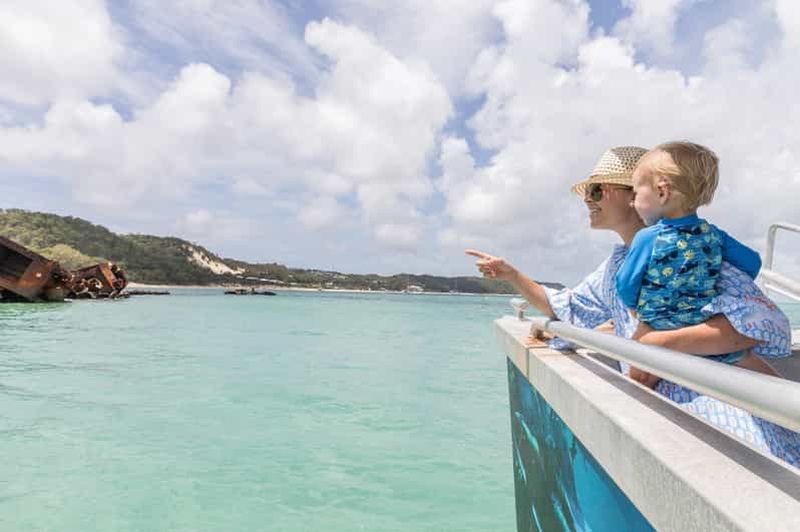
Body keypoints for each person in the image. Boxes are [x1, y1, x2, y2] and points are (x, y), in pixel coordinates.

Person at [466, 145, 799, 467]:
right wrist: (511, 274)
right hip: (662, 407)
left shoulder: (695, 253)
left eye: (597, 190)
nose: (588, 200)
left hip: (717, 402)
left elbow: (762, 321)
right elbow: (567, 306)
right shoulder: (615, 265)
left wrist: (654, 348)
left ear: (636, 194)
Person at [617, 142, 762, 382]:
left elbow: (625, 284)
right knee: (754, 368)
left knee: (637, 381)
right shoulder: (714, 235)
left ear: (662, 192)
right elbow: (752, 264)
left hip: (658, 326)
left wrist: (633, 307)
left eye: (636, 192)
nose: (633, 202)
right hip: (701, 325)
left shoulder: (648, 237)